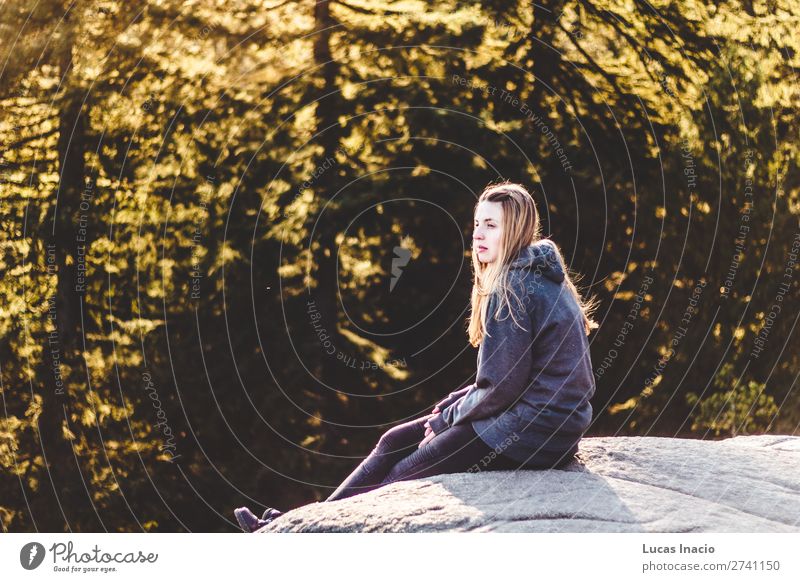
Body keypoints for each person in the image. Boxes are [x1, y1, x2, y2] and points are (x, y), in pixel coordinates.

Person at [234, 180, 600, 532]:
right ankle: (294, 525)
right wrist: (450, 406)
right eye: (476, 224)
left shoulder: (515, 287)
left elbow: (501, 387)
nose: (478, 234)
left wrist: (449, 419)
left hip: (536, 430)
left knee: (402, 477)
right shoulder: (535, 273)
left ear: (516, 230)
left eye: (491, 225)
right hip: (545, 423)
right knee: (394, 439)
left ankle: (308, 536)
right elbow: (508, 375)